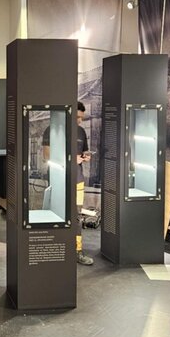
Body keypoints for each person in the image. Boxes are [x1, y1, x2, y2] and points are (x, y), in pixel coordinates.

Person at [76, 101, 94, 265]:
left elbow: (84, 151)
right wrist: (70, 159)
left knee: (77, 216)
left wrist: (86, 156)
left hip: (78, 181)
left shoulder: (81, 132)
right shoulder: (54, 130)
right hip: (61, 181)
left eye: (81, 117)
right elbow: (47, 156)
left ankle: (77, 251)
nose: (80, 120)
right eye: (77, 117)